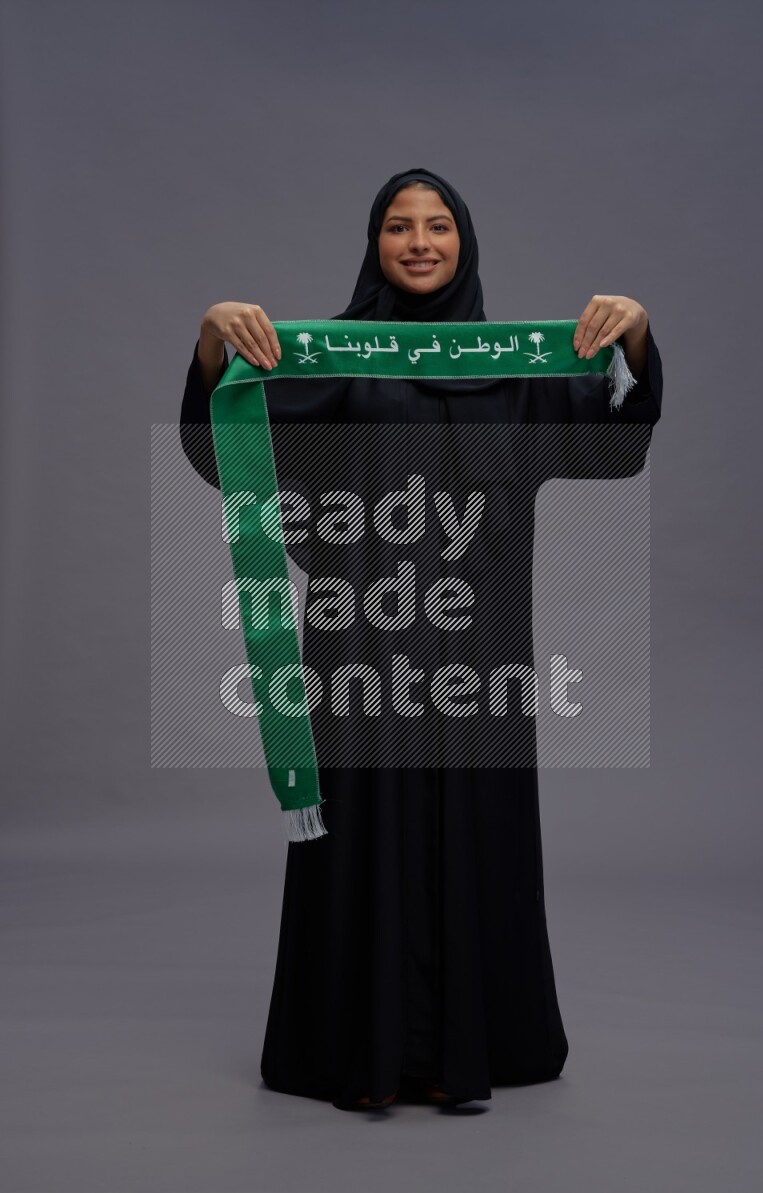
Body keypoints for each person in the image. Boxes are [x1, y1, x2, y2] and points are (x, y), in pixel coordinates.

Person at [179, 167, 663, 1111]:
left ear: (464, 240)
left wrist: (636, 339)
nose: (419, 241)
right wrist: (211, 344)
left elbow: (612, 447)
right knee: (360, 840)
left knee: (477, 838)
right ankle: (355, 1047)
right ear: (375, 245)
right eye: (398, 226)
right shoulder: (327, 361)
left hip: (481, 658)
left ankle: (476, 1042)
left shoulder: (519, 369)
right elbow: (223, 451)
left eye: (438, 225)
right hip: (358, 652)